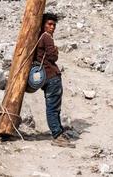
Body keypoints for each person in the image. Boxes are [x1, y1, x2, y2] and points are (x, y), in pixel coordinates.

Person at [35, 13, 75, 148]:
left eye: (54, 25)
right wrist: (56, 50)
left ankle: (58, 131)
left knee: (54, 106)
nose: (52, 27)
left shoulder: (40, 37)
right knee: (53, 107)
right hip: (52, 76)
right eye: (49, 24)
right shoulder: (46, 37)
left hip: (46, 77)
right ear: (43, 25)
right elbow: (53, 56)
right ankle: (57, 135)